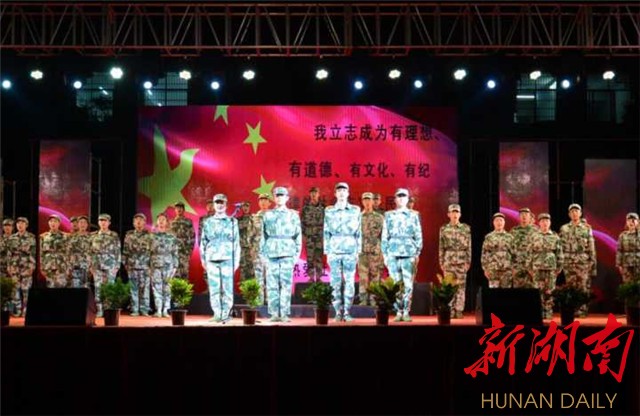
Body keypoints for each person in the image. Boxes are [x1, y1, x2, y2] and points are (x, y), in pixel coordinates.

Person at [260, 187, 301, 322]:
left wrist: (296, 254)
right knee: (272, 284)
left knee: (286, 284)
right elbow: (262, 236)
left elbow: (298, 236)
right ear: (274, 198)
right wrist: (262, 255)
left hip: (288, 252)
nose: (279, 198)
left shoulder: (293, 215)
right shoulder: (267, 215)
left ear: (287, 198)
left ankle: (284, 313)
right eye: (277, 195)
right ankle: (274, 313)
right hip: (271, 251)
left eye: (282, 195)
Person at [381, 188, 422, 322]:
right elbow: (385, 235)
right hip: (393, 252)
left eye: (404, 196)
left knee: (408, 284)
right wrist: (385, 254)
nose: (401, 199)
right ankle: (398, 311)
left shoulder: (413, 215)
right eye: (399, 196)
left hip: (409, 252)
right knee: (396, 284)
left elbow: (418, 235)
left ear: (407, 199)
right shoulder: (388, 215)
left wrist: (417, 253)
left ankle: (406, 311)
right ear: (395, 199)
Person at [323, 182, 361, 322]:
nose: (341, 193)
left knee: (349, 282)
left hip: (350, 249)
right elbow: (326, 232)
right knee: (335, 282)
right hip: (334, 249)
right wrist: (327, 251)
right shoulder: (329, 210)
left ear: (348, 193)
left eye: (344, 190)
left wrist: (358, 251)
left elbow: (359, 232)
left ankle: (347, 312)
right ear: (335, 194)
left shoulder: (355, 210)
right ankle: (338, 312)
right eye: (339, 190)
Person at [200, 194, 240, 323]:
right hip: (212, 258)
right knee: (214, 288)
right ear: (213, 204)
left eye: (222, 202)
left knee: (227, 288)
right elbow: (203, 242)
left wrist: (236, 260)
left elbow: (236, 242)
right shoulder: (208, 222)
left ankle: (226, 314)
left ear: (226, 204)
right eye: (217, 202)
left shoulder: (232, 222)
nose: (219, 205)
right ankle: (217, 313)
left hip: (228, 258)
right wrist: (203, 259)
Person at [559, 203, 597, 317]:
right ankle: (572, 309)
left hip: (582, 262)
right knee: (570, 286)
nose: (574, 213)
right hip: (568, 261)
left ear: (580, 213)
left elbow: (591, 247)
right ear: (569, 214)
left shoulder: (586, 228)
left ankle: (582, 310)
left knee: (582, 286)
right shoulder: (564, 228)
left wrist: (592, 263)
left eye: (576, 211)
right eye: (572, 212)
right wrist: (560, 262)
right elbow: (560, 247)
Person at [526, 213, 564, 319]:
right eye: (542, 221)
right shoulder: (534, 237)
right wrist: (529, 268)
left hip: (551, 268)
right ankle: (539, 312)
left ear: (550, 223)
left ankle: (548, 312)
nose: (545, 223)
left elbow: (559, 253)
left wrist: (559, 267)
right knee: (538, 290)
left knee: (549, 290)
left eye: (547, 221)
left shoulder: (555, 237)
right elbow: (529, 253)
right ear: (539, 223)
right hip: (537, 268)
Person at [438, 203, 471, 319]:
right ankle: (450, 310)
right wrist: (441, 262)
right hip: (448, 261)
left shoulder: (466, 228)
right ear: (448, 214)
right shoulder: (444, 229)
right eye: (453, 212)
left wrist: (468, 261)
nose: (455, 214)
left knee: (461, 287)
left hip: (462, 261)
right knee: (449, 287)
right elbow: (441, 247)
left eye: (457, 212)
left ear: (460, 214)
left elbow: (469, 246)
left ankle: (459, 310)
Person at [90, 213, 121, 317]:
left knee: (109, 287)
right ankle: (99, 310)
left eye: (105, 221)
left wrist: (117, 265)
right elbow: (90, 252)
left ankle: (108, 310)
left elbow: (118, 251)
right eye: (101, 220)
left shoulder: (114, 235)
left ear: (109, 223)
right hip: (97, 265)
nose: (103, 223)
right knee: (98, 288)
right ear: (98, 222)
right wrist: (90, 265)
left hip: (110, 265)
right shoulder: (93, 235)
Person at [122, 213, 153, 316]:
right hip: (132, 265)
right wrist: (125, 264)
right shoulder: (129, 235)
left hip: (145, 266)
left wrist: (151, 266)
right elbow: (125, 251)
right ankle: (134, 309)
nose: (138, 222)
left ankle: (144, 309)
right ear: (133, 223)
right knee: (133, 288)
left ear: (144, 222)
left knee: (145, 288)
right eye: (136, 220)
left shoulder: (149, 235)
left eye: (141, 220)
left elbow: (152, 252)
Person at [150, 212, 179, 318]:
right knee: (156, 287)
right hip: (155, 265)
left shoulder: (172, 237)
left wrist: (175, 266)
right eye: (159, 219)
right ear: (157, 222)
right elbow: (148, 252)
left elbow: (175, 252)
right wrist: (148, 266)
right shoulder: (151, 236)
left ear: (167, 222)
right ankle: (158, 310)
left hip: (168, 265)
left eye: (163, 219)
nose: (161, 221)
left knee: (167, 287)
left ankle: (165, 310)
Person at [357, 192, 384, 306]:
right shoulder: (358, 217)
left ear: (373, 201)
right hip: (362, 252)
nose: (367, 202)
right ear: (362, 202)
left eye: (369, 199)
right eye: (365, 200)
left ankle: (374, 299)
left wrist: (383, 252)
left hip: (375, 252)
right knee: (363, 277)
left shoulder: (379, 218)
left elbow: (384, 236)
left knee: (375, 276)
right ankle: (363, 300)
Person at [6, 217, 36, 317]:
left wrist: (32, 266)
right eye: (18, 223)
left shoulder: (31, 237)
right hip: (14, 267)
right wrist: (9, 266)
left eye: (22, 223)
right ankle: (16, 311)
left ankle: (26, 312)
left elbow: (33, 253)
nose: (20, 225)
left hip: (26, 267)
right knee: (15, 290)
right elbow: (9, 254)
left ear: (26, 225)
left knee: (26, 290)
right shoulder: (12, 238)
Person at [481, 212, 515, 288]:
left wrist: (514, 268)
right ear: (493, 223)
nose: (499, 222)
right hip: (493, 270)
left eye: (501, 220)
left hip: (507, 270)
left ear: (504, 222)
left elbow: (514, 254)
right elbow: (484, 253)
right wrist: (485, 268)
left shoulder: (510, 237)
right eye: (497, 220)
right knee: (493, 292)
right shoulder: (489, 237)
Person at [301, 186, 325, 282]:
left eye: (315, 193)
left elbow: (327, 223)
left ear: (318, 194)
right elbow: (302, 223)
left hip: (320, 236)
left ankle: (319, 277)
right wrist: (303, 235)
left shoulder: (323, 208)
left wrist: (325, 236)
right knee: (310, 258)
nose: (314, 195)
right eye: (312, 193)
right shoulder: (305, 208)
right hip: (309, 236)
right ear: (310, 194)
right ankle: (311, 277)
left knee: (319, 257)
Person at [509, 207, 538, 288]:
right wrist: (512, 267)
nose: (524, 216)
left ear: (530, 217)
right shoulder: (513, 231)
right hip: (517, 267)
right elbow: (509, 250)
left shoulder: (536, 231)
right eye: (522, 215)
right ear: (519, 217)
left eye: (526, 215)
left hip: (532, 266)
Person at [252, 193, 271, 304]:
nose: (263, 202)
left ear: (269, 202)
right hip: (257, 251)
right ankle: (260, 300)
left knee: (270, 275)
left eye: (265, 200)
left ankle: (270, 300)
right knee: (258, 276)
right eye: (261, 200)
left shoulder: (274, 216)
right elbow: (250, 235)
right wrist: (252, 249)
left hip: (270, 251)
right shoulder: (254, 217)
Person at [40, 214, 68, 288]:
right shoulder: (44, 237)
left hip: (61, 267)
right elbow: (41, 253)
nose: (53, 223)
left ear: (59, 223)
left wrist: (68, 267)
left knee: (61, 288)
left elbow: (68, 252)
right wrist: (42, 267)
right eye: (51, 221)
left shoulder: (64, 236)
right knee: (50, 288)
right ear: (48, 223)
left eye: (55, 221)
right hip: (48, 266)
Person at [170, 201, 195, 280]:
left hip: (184, 252)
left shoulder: (188, 221)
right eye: (177, 208)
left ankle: (184, 288)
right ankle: (176, 288)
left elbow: (192, 236)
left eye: (180, 208)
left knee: (184, 273)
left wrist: (189, 251)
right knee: (175, 274)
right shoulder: (171, 222)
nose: (179, 209)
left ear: (183, 210)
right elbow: (169, 238)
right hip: (174, 252)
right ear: (175, 210)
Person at [67, 215, 92, 288]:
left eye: (84, 222)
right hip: (75, 266)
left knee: (86, 288)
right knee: (76, 288)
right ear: (78, 224)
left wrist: (92, 266)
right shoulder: (72, 237)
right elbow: (68, 252)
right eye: (81, 222)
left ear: (87, 225)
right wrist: (68, 267)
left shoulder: (91, 237)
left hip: (87, 267)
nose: (82, 224)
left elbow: (94, 252)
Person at [615, 212, 639, 282]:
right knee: (628, 284)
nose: (631, 222)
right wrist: (619, 265)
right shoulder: (623, 236)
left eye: (633, 220)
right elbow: (619, 251)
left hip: (638, 264)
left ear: (638, 222)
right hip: (626, 265)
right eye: (629, 220)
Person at [238, 202, 256, 281]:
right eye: (244, 206)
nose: (245, 208)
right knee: (243, 268)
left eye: (247, 206)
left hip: (252, 248)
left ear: (249, 207)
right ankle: (244, 287)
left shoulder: (254, 219)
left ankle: (252, 287)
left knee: (252, 268)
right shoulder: (238, 220)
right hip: (242, 248)